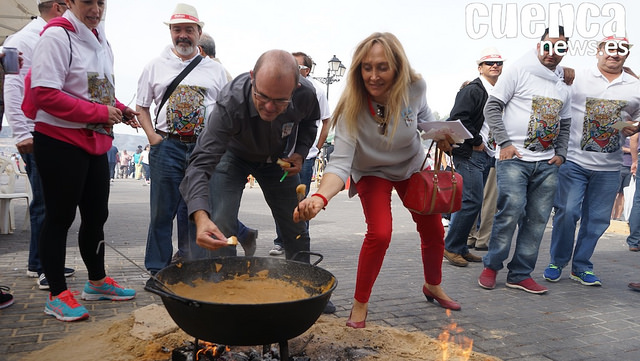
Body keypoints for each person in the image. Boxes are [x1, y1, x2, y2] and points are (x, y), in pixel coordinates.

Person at [295, 32, 459, 330]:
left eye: (382, 67)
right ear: (358, 69)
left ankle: (433, 284)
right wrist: (319, 198)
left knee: (434, 228)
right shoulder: (351, 109)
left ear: (397, 67)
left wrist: (441, 135)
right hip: (371, 172)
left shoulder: (416, 87)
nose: (373, 76)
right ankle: (360, 304)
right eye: (366, 67)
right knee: (380, 233)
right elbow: (340, 163)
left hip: (410, 166)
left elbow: (423, 119)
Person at [28, 0, 138, 321]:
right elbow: (44, 93)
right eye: (88, 1)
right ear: (69, 2)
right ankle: (57, 293)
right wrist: (101, 112)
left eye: (101, 2)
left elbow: (96, 92)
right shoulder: (56, 37)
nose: (96, 9)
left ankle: (97, 281)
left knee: (96, 215)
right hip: (59, 140)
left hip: (94, 141)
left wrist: (119, 107)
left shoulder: (100, 40)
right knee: (59, 217)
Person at [180, 49, 319, 266]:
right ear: (252, 77)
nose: (270, 107)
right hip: (233, 155)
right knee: (222, 221)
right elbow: (200, 163)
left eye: (281, 100)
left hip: (277, 160)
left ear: (296, 88)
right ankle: (223, 284)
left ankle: (307, 287)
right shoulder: (230, 100)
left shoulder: (307, 94)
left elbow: (311, 122)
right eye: (262, 96)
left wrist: (300, 153)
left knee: (295, 225)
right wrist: (200, 216)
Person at [136, 3, 229, 276]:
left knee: (196, 210)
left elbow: (225, 111)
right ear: (171, 33)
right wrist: (153, 138)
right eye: (177, 30)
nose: (183, 35)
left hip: (203, 149)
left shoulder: (215, 70)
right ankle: (157, 269)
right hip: (168, 146)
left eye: (189, 29)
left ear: (199, 32)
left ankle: (193, 268)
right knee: (161, 212)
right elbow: (142, 107)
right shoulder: (154, 66)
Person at [478, 26, 572, 294]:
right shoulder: (518, 71)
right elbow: (492, 107)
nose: (553, 52)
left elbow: (565, 124)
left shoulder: (562, 84)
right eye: (548, 46)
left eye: (560, 48)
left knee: (538, 219)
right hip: (514, 159)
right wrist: (504, 143)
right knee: (510, 210)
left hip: (546, 164)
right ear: (539, 45)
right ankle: (492, 266)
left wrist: (561, 153)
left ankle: (520, 274)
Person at [543, 36, 640, 287]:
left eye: (620, 50)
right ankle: (557, 261)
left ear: (626, 54)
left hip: (609, 167)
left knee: (597, 220)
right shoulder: (577, 78)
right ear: (598, 51)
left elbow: (637, 120)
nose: (614, 54)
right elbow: (550, 95)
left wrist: (631, 127)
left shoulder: (634, 86)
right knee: (567, 213)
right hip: (574, 161)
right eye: (609, 49)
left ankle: (581, 266)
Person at [3, 0, 76, 290]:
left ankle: (41, 261)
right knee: (46, 203)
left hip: (52, 132)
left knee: (52, 201)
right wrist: (21, 133)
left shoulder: (52, 35)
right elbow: (13, 85)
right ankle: (45, 266)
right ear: (59, 7)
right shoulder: (23, 39)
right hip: (36, 133)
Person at [442, 47, 504, 267]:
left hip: (487, 154)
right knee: (471, 201)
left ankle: (458, 247)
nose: (495, 66)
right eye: (489, 63)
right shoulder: (473, 90)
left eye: (498, 63)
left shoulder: (497, 91)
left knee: (471, 203)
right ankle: (450, 247)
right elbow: (457, 119)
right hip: (470, 153)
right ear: (480, 68)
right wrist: (476, 141)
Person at [269, 51, 331, 256]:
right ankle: (282, 239)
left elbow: (323, 120)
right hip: (282, 154)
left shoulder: (315, 91)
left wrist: (315, 147)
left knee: (299, 199)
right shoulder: (277, 85)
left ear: (306, 71)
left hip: (304, 155)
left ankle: (299, 243)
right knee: (282, 197)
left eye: (296, 66)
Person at [612, 135, 637, 220]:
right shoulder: (624, 133)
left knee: (623, 193)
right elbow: (618, 147)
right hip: (620, 165)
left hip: (630, 167)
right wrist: (632, 150)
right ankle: (609, 216)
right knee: (614, 192)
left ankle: (618, 217)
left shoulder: (637, 134)